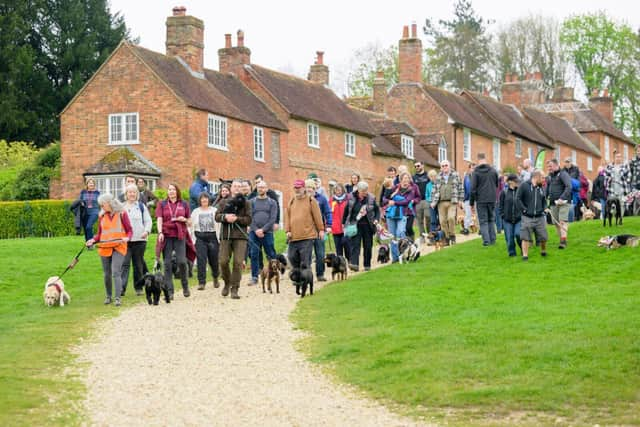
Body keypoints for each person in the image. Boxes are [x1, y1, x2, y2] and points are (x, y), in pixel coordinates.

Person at [85, 194, 132, 306]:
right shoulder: (102, 216)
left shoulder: (122, 213)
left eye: (103, 204)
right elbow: (100, 234)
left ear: (109, 203)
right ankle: (108, 296)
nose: (101, 206)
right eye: (100, 204)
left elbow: (129, 230)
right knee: (106, 274)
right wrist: (92, 240)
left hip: (119, 246)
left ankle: (117, 298)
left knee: (116, 272)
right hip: (105, 248)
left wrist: (127, 238)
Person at [215, 179, 252, 299]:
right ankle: (227, 282)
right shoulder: (223, 202)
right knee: (223, 261)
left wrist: (236, 219)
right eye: (235, 186)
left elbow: (249, 220)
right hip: (226, 235)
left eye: (239, 186)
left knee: (238, 262)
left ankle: (235, 288)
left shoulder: (246, 203)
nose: (237, 188)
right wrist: (225, 217)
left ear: (242, 189)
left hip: (240, 237)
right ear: (231, 188)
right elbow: (217, 216)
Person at [157, 183, 194, 299]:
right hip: (167, 235)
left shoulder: (184, 204)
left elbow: (190, 222)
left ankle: (185, 286)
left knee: (182, 261)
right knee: (167, 264)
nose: (171, 191)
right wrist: (160, 232)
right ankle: (170, 291)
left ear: (177, 191)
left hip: (180, 235)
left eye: (173, 189)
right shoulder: (162, 204)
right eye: (169, 189)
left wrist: (185, 220)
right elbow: (159, 219)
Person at [285, 179, 324, 285]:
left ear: (303, 188)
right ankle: (298, 277)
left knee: (305, 261)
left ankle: (306, 280)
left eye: (299, 188)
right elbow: (287, 217)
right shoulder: (291, 201)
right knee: (292, 257)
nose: (297, 190)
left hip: (307, 236)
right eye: (295, 188)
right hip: (293, 236)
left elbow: (317, 216)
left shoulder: (311, 200)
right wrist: (287, 230)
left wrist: (321, 229)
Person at [120, 184, 152, 296]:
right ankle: (121, 288)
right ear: (126, 194)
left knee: (138, 265)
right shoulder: (122, 207)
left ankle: (138, 288)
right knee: (125, 264)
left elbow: (148, 221)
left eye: (134, 192)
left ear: (137, 194)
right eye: (130, 192)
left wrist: (146, 231)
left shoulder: (141, 206)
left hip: (140, 240)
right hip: (126, 241)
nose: (132, 194)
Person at [343, 181, 380, 271]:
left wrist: (376, 219)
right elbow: (346, 211)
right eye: (363, 191)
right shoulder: (351, 197)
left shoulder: (371, 198)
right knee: (355, 245)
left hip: (368, 225)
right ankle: (355, 264)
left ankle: (367, 265)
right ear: (358, 190)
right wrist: (344, 223)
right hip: (355, 225)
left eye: (366, 191)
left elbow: (377, 210)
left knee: (368, 245)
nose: (365, 193)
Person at [248, 180, 278, 285]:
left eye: (263, 187)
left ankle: (274, 274)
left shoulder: (272, 202)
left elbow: (273, 218)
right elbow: (249, 217)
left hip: (268, 232)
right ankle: (254, 277)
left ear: (266, 189)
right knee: (254, 254)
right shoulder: (251, 202)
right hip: (253, 232)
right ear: (256, 188)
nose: (261, 189)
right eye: (259, 187)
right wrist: (256, 229)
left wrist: (263, 230)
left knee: (271, 253)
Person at [383, 172, 418, 262]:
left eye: (408, 178)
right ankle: (395, 258)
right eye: (404, 178)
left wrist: (394, 202)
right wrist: (389, 200)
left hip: (403, 214)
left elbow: (406, 201)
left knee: (400, 233)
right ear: (400, 179)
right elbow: (384, 198)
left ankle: (403, 254)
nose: (406, 180)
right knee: (392, 236)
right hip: (391, 214)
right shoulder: (395, 187)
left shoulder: (411, 190)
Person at [191, 192, 220, 290]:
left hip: (212, 237)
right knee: (201, 260)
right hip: (200, 237)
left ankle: (215, 277)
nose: (204, 200)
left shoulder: (215, 210)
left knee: (214, 260)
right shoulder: (195, 211)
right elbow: (190, 224)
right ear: (200, 200)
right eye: (202, 199)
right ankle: (201, 282)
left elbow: (219, 224)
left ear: (209, 200)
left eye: (206, 198)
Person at [516, 170, 548, 261]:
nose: (544, 180)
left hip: (540, 217)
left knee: (543, 237)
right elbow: (518, 199)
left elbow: (544, 201)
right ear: (536, 177)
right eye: (542, 178)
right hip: (527, 217)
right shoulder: (524, 186)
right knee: (525, 237)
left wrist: (545, 208)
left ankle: (543, 250)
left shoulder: (541, 187)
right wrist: (524, 210)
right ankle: (525, 255)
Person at [431, 160, 464, 245]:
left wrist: (460, 200)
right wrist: (433, 201)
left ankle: (452, 235)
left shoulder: (455, 175)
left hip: (452, 201)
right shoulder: (438, 177)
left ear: (449, 166)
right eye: (443, 166)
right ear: (440, 168)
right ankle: (446, 238)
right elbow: (434, 190)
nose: (444, 167)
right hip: (441, 202)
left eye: (446, 165)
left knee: (451, 218)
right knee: (442, 221)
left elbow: (461, 188)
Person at [470, 153, 499, 246]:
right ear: (485, 159)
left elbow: (473, 189)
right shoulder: (493, 171)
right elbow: (496, 184)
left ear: (478, 160)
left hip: (481, 199)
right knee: (491, 219)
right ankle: (493, 240)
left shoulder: (476, 172)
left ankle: (486, 241)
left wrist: (471, 203)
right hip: (492, 198)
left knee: (483, 221)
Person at [306, 179, 332, 281]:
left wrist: (329, 225)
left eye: (310, 188)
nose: (309, 190)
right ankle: (307, 275)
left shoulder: (322, 199)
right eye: (307, 188)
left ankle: (320, 274)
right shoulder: (302, 199)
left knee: (320, 253)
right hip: (306, 230)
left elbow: (328, 212)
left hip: (319, 229)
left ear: (314, 188)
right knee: (306, 254)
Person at [546, 159, 572, 249]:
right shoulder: (549, 177)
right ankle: (561, 239)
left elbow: (569, 186)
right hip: (553, 203)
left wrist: (562, 198)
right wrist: (544, 200)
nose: (549, 168)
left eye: (550, 166)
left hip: (563, 202)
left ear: (556, 165)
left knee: (562, 221)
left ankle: (563, 241)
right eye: (548, 167)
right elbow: (547, 189)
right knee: (556, 223)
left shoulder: (563, 174)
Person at [499, 174, 522, 257]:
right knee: (509, 238)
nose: (517, 183)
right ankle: (512, 254)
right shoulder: (504, 192)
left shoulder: (519, 191)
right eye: (516, 181)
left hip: (518, 219)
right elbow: (500, 206)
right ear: (510, 182)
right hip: (507, 220)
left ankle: (523, 248)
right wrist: (502, 215)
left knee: (518, 234)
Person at [604, 151, 632, 217]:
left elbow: (629, 175)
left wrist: (626, 181)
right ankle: (614, 216)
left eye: (620, 157)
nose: (618, 158)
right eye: (617, 157)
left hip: (622, 188)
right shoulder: (610, 167)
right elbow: (605, 176)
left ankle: (620, 218)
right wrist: (608, 179)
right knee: (613, 204)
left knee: (622, 203)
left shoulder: (625, 166)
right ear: (614, 158)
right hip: (612, 188)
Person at [330, 183, 350, 259]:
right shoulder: (331, 201)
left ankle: (350, 263)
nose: (338, 191)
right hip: (335, 228)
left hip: (346, 227)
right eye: (336, 190)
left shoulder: (347, 199)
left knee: (347, 247)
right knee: (338, 250)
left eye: (339, 190)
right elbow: (328, 213)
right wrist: (328, 225)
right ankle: (341, 265)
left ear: (342, 190)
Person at [79, 177, 100, 242]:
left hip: (94, 211)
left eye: (92, 183)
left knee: (89, 226)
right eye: (90, 183)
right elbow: (80, 200)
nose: (91, 184)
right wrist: (82, 203)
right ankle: (88, 243)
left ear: (94, 184)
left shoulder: (97, 192)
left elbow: (100, 201)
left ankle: (91, 242)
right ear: (87, 184)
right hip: (85, 212)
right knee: (86, 228)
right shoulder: (83, 192)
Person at [462, 162, 475, 235]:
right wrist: (464, 199)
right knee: (468, 214)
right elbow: (466, 188)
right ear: (469, 169)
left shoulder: (477, 177)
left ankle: (480, 230)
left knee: (478, 214)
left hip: (476, 198)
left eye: (474, 168)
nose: (473, 170)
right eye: (472, 168)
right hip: (468, 198)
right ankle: (466, 229)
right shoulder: (467, 177)